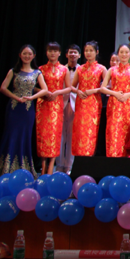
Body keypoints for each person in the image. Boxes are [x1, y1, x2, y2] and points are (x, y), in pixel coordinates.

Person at [0, 45, 49, 178]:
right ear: (20, 55)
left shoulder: (37, 73)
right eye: (24, 53)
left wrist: (32, 97)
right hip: (14, 108)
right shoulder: (13, 71)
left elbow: (45, 90)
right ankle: (6, 169)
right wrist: (16, 97)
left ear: (33, 56)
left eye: (29, 54)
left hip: (28, 110)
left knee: (25, 137)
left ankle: (24, 169)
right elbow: (3, 88)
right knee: (11, 136)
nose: (27, 56)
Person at [100, 44, 130, 158]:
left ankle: (125, 160)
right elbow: (102, 88)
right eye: (121, 52)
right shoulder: (111, 70)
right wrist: (114, 93)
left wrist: (128, 94)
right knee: (113, 131)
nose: (124, 55)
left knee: (127, 131)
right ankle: (112, 159)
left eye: (126, 52)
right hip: (114, 104)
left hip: (128, 104)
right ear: (118, 54)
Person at [37, 42, 72, 175]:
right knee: (43, 135)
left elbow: (69, 87)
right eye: (50, 51)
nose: (52, 53)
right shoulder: (40, 69)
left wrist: (57, 92)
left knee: (54, 135)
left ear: (59, 53)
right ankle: (43, 166)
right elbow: (34, 88)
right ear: (46, 53)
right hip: (43, 104)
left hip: (56, 104)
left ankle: (51, 165)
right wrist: (44, 92)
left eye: (55, 51)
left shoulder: (64, 69)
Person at [70, 41, 107, 157]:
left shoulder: (101, 68)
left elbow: (106, 87)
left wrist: (93, 90)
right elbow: (72, 86)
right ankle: (78, 158)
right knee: (79, 130)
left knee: (91, 131)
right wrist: (78, 91)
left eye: (91, 50)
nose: (88, 53)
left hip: (93, 103)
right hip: (81, 103)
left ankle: (89, 158)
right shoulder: (80, 68)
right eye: (86, 50)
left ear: (97, 52)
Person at [56, 44, 80, 174]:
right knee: (60, 134)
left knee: (72, 135)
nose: (72, 54)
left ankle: (70, 165)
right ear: (66, 55)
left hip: (76, 103)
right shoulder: (60, 69)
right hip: (61, 102)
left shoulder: (81, 69)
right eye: (70, 52)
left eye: (75, 52)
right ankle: (59, 165)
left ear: (79, 55)